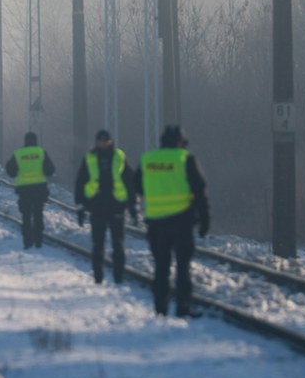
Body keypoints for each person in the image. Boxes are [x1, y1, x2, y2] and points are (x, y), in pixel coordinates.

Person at [134, 125, 210, 318]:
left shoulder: (148, 159)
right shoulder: (185, 159)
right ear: (182, 142)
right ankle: (182, 307)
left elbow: (137, 186)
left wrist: (155, 193)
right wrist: (204, 220)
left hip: (156, 222)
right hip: (181, 221)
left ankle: (160, 307)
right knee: (183, 267)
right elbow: (200, 191)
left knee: (161, 267)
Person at [74, 129, 137, 284]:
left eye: (105, 140)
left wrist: (132, 206)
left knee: (118, 244)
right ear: (96, 142)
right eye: (100, 140)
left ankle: (118, 277)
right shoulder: (89, 158)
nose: (103, 143)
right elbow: (81, 181)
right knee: (98, 244)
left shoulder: (119, 157)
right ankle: (98, 277)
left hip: (116, 205)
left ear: (110, 141)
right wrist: (80, 206)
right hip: (97, 206)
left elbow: (130, 181)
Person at [5, 131, 55, 249]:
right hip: (39, 189)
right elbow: (50, 170)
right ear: (36, 141)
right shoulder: (41, 152)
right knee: (38, 214)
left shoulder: (19, 153)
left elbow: (11, 171)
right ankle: (38, 241)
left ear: (25, 141)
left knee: (26, 216)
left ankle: (28, 242)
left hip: (24, 190)